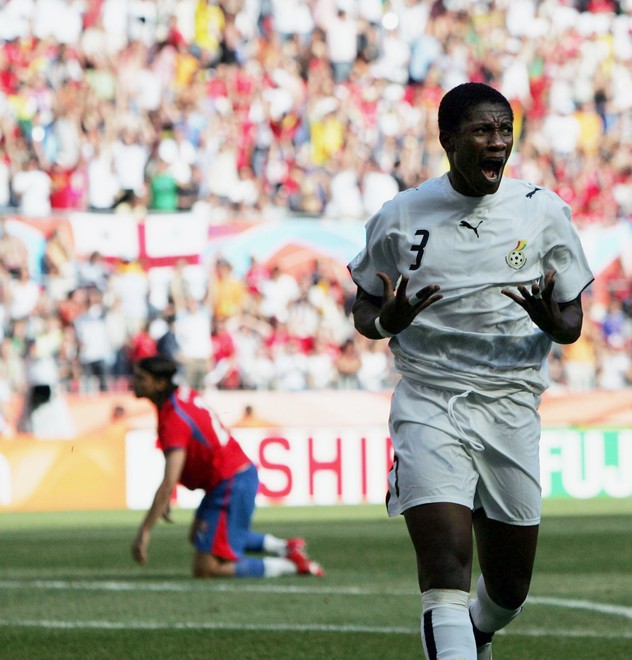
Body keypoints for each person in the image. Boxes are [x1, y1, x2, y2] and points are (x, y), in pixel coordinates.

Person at [347, 82, 593, 659]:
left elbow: (572, 321)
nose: (498, 142)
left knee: (509, 591)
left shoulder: (542, 210)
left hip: (511, 405)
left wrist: (552, 322)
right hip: (430, 400)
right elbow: (364, 307)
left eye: (505, 130)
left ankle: (480, 631)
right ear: (448, 139)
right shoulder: (401, 215)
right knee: (445, 573)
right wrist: (386, 320)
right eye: (483, 130)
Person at [130, 355, 324, 579]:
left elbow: (169, 480)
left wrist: (145, 530)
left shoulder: (174, 417)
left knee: (206, 569)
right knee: (198, 535)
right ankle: (284, 547)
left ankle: (291, 566)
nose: (135, 382)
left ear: (159, 384)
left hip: (231, 482)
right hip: (227, 479)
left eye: (141, 378)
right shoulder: (180, 396)